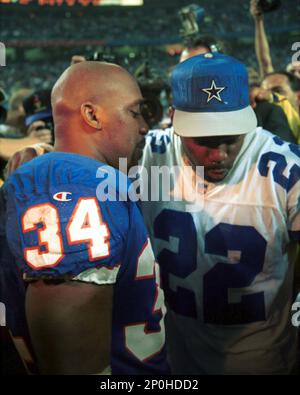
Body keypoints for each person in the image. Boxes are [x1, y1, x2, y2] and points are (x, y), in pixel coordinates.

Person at [0, 61, 168, 375]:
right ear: (92, 114)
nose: (144, 126)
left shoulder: (77, 178)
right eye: (134, 112)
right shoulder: (77, 187)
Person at [140, 53, 300, 374]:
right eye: (205, 140)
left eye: (230, 138)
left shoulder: (287, 170)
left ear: (249, 113)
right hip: (175, 356)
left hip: (260, 358)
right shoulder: (147, 153)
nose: (219, 154)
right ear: (174, 118)